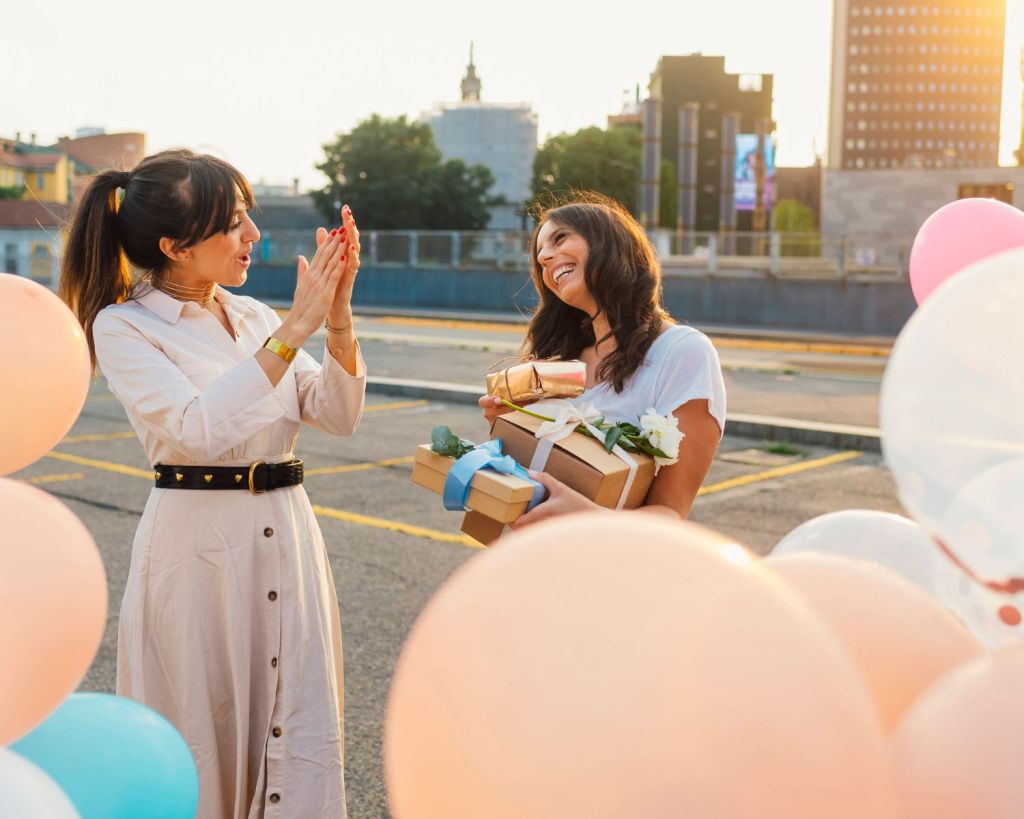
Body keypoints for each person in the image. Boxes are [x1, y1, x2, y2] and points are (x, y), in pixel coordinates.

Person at [59, 149, 365, 819]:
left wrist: (335, 317)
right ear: (174, 245)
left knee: (298, 717)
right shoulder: (124, 326)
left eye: (248, 216)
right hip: (198, 548)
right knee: (203, 729)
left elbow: (337, 412)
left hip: (288, 532)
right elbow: (196, 429)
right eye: (233, 222)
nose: (253, 234)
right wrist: (293, 332)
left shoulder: (255, 317)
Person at [479, 194, 725, 526]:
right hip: (535, 559)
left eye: (560, 237)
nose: (545, 256)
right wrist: (509, 424)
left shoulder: (683, 352)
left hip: (610, 566)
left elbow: (670, 513)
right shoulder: (557, 360)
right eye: (540, 256)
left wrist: (584, 516)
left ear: (608, 242)